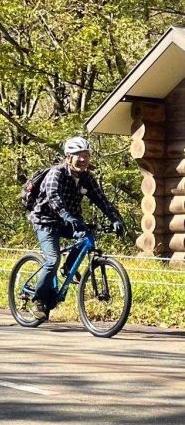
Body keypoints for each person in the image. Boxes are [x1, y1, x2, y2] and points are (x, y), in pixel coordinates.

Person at [28, 137, 125, 321]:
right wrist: (67, 216)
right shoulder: (55, 174)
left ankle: (69, 267)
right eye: (78, 155)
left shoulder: (86, 178)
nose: (83, 159)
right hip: (45, 221)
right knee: (52, 260)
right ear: (68, 157)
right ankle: (38, 301)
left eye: (86, 155)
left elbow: (101, 199)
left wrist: (115, 219)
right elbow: (53, 197)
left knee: (86, 237)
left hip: (69, 220)